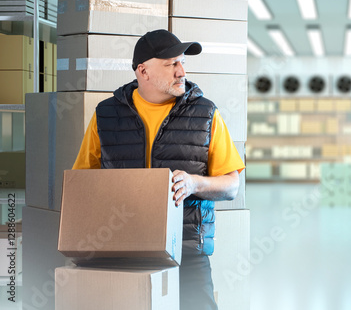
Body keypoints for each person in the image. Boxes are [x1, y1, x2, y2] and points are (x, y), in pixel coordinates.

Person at [72, 29, 245, 310]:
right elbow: (82, 183)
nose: (181, 72)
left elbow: (232, 186)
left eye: (182, 63)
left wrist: (194, 184)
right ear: (144, 71)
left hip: (187, 251)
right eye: (171, 64)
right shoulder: (106, 115)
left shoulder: (205, 114)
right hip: (123, 249)